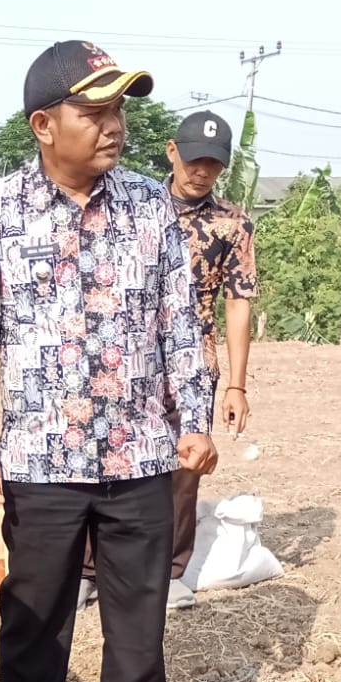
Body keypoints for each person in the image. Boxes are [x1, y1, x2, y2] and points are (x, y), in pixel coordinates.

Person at [0, 39, 218, 682]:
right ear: (43, 124)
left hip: (139, 451)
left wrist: (193, 420)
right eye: (93, 111)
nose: (113, 126)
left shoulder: (148, 206)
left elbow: (178, 324)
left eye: (119, 110)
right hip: (39, 457)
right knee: (35, 614)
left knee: (141, 606)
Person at [80, 109, 257, 610]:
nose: (202, 172)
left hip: (192, 363)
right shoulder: (130, 205)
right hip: (126, 358)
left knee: (184, 472)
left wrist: (237, 386)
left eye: (214, 165)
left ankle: (170, 570)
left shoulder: (232, 223)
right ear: (171, 151)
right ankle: (89, 569)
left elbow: (239, 300)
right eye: (194, 160)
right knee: (105, 462)